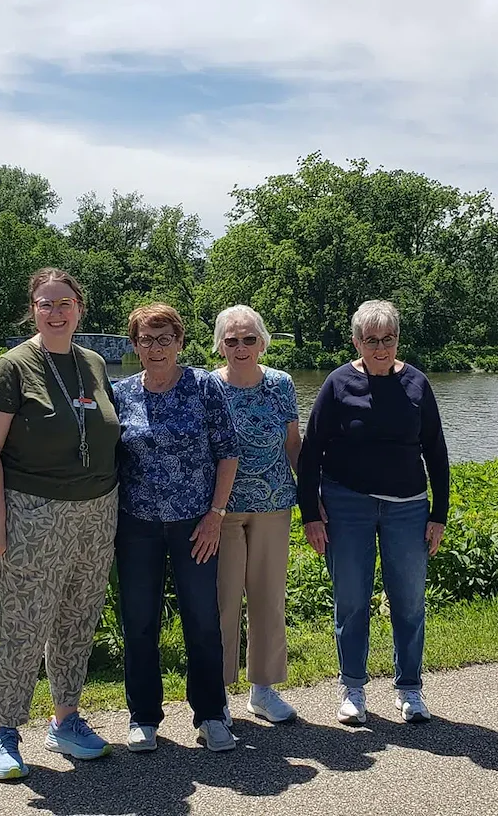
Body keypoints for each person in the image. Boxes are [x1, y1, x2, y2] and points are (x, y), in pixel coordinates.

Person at [0, 268, 122, 780]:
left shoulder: (95, 363)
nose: (56, 313)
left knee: (78, 619)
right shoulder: (13, 367)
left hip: (98, 511)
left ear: (80, 308)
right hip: (34, 511)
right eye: (45, 304)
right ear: (32, 309)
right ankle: (5, 732)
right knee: (23, 625)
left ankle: (66, 720)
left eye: (65, 304)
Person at [296, 299, 450, 727]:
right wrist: (310, 511)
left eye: (387, 339)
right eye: (370, 339)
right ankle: (353, 689)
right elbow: (311, 453)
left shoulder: (418, 385)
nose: (380, 347)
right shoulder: (337, 384)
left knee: (409, 601)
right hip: (347, 506)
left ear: (397, 339)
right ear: (356, 341)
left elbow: (436, 453)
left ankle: (409, 689)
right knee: (351, 599)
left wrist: (439, 514)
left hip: (408, 509)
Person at [113, 303, 241, 753]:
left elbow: (228, 452)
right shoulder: (120, 393)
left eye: (164, 338)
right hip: (136, 525)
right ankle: (144, 716)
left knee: (202, 620)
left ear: (180, 342)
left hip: (196, 524)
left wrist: (216, 514)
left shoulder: (204, 386)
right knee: (139, 621)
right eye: (145, 340)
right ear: (134, 346)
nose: (155, 348)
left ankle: (209, 714)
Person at [210, 305, 301, 723]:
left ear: (262, 343)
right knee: (223, 603)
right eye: (232, 340)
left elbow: (293, 445)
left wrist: (315, 499)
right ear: (220, 345)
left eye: (249, 339)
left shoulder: (281, 385)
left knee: (268, 598)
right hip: (221, 511)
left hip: (274, 505)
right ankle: (218, 695)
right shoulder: (208, 387)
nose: (241, 347)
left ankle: (262, 690)